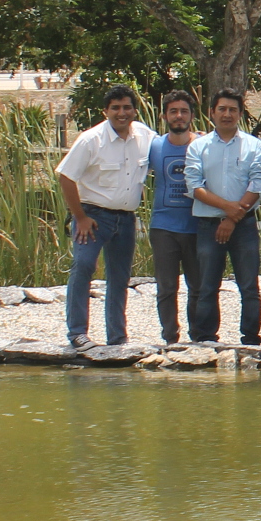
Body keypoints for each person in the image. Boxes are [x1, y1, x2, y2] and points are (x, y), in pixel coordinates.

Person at [56, 85, 156, 348]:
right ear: (106, 111)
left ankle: (117, 337)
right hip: (93, 217)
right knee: (83, 267)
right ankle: (77, 333)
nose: (122, 113)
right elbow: (66, 177)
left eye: (127, 107)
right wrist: (79, 217)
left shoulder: (145, 136)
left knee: (120, 278)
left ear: (134, 110)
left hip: (126, 219)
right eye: (115, 108)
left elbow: (169, 147)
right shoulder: (91, 140)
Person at [185, 89, 261, 345]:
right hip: (207, 225)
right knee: (207, 286)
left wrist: (232, 219)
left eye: (233, 109)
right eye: (222, 109)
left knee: (249, 286)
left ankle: (251, 339)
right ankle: (206, 339)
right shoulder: (198, 146)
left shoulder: (254, 146)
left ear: (240, 114)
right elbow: (194, 186)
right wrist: (227, 209)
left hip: (244, 225)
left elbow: (257, 184)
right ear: (212, 112)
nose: (227, 114)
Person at [146, 91, 200, 345]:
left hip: (196, 226)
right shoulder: (154, 146)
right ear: (164, 116)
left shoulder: (202, 144)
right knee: (166, 287)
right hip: (163, 226)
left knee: (198, 286)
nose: (179, 116)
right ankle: (170, 338)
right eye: (173, 111)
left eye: (184, 111)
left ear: (192, 116)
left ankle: (198, 336)